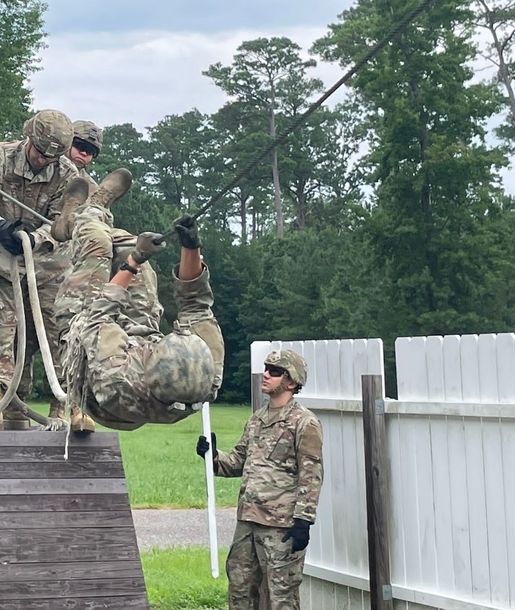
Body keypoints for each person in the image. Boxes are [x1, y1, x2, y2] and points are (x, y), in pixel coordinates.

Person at [53, 175, 225, 431]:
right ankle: (84, 220)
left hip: (84, 338)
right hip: (134, 337)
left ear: (151, 363)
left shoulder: (118, 381)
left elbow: (96, 317)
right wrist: (191, 246)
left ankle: (87, 213)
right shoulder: (204, 375)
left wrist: (134, 261)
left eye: (158, 348)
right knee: (130, 247)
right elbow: (196, 304)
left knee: (98, 245)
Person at [0, 109, 79, 431]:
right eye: (40, 153)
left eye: (51, 157)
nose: (44, 161)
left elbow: (65, 221)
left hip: (49, 265)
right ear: (29, 139)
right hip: (5, 261)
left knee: (58, 336)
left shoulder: (68, 175)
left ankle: (63, 406)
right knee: (2, 331)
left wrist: (35, 238)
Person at [196, 349, 323, 610]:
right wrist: (212, 456)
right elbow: (237, 463)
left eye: (274, 371)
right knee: (240, 593)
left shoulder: (304, 423)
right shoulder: (256, 420)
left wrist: (303, 521)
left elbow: (311, 475)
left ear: (291, 381)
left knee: (281, 597)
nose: (265, 374)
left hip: (281, 527)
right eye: (266, 368)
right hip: (248, 523)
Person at [67, 120, 103, 189]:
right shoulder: (44, 165)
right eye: (80, 145)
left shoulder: (91, 189)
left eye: (90, 151)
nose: (84, 153)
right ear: (68, 142)